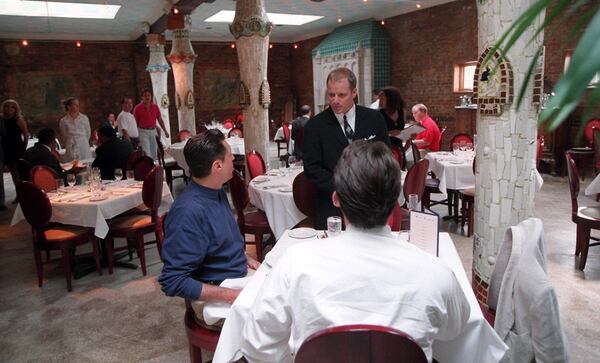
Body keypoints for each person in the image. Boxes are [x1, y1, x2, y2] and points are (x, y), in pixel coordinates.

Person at [240, 141, 470, 363]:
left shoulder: (295, 263)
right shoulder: (436, 272)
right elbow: (454, 331)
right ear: (394, 204)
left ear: (336, 199)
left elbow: (257, 345)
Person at [158, 129, 259, 313]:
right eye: (230, 156)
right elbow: (172, 280)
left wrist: (243, 257)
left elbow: (219, 240)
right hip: (220, 291)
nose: (234, 160)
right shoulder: (188, 212)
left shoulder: (215, 189)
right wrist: (231, 295)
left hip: (236, 277)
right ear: (217, 166)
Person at [302, 67, 389, 230]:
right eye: (331, 94)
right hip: (332, 203)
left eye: (341, 95)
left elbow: (385, 158)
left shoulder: (375, 119)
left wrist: (367, 187)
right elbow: (312, 169)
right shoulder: (315, 126)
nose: (335, 100)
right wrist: (344, 189)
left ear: (354, 92)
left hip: (371, 202)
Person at [133, 88, 169, 160]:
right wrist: (137, 135)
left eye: (149, 95)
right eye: (145, 96)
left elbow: (159, 119)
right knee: (147, 152)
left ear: (151, 96)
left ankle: (153, 169)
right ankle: (148, 169)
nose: (147, 97)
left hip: (153, 131)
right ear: (142, 97)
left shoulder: (155, 107)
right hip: (142, 131)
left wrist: (165, 130)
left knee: (154, 152)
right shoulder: (138, 108)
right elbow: (135, 122)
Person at [1, 99, 29, 190]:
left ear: (15, 109)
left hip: (16, 147)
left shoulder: (18, 119)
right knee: (11, 171)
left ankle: (21, 193)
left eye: (12, 107)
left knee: (17, 172)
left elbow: (25, 135)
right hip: (4, 146)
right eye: (7, 106)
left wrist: (24, 148)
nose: (9, 109)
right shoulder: (1, 118)